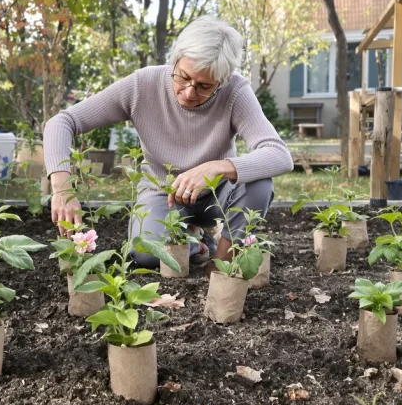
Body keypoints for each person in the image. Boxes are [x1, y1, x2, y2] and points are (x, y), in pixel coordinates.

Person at [43, 16, 293, 275]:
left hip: (217, 195)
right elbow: (63, 122)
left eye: (204, 86)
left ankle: (221, 262)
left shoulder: (236, 91)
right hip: (163, 195)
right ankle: (196, 240)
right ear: (175, 60)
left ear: (223, 80)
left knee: (260, 182)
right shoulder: (142, 85)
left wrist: (217, 168)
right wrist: (62, 188)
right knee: (146, 253)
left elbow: (278, 154)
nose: (188, 92)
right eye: (183, 77)